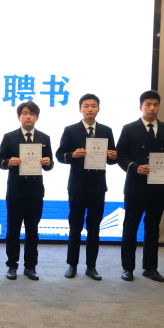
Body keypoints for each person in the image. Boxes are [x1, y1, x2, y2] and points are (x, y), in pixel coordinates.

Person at [116, 90, 164, 282]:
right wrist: (135, 167)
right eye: (148, 104)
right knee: (131, 227)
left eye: (156, 105)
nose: (152, 108)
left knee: (153, 228)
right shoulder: (129, 128)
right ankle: (128, 268)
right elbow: (121, 156)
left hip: (159, 186)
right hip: (135, 186)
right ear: (141, 107)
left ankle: (150, 268)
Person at [56, 93, 117, 281]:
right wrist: (72, 155)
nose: (90, 109)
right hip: (77, 186)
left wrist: (112, 157)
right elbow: (59, 155)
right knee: (75, 227)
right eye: (86, 106)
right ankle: (72, 265)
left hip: (98, 186)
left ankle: (91, 266)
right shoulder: (70, 130)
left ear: (98, 108)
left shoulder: (106, 130)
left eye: (93, 106)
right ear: (80, 109)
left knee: (94, 228)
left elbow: (113, 158)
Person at [0, 101, 54, 281]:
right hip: (15, 190)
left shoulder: (44, 138)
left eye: (32, 114)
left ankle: (30, 266)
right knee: (13, 230)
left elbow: (50, 164)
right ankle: (12, 265)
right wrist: (8, 162)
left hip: (35, 191)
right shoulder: (9, 137)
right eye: (25, 113)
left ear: (37, 117)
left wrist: (48, 163)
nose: (28, 117)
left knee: (32, 230)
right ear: (19, 117)